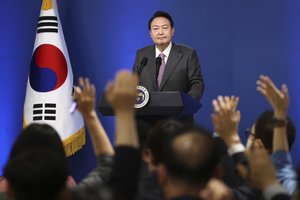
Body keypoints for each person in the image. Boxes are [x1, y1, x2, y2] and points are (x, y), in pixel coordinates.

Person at [132, 10, 204, 125]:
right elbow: (134, 84)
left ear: (172, 31)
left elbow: (197, 83)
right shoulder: (142, 55)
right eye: (155, 29)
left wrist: (186, 107)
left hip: (178, 120)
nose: (160, 32)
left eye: (165, 28)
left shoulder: (187, 53)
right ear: (150, 33)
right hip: (146, 122)